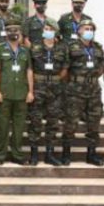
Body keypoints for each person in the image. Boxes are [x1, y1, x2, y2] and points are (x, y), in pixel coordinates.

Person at [63, 20, 104, 166]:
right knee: (71, 122)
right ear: (79, 31)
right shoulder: (71, 47)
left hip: (94, 90)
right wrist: (76, 81)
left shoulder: (98, 47)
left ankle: (91, 154)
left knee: (94, 123)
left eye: (91, 29)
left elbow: (101, 68)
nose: (89, 31)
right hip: (75, 90)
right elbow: (65, 70)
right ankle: (66, 154)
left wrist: (90, 79)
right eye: (86, 28)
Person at [27, 19, 67, 166]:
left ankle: (49, 154)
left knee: (53, 122)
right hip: (38, 87)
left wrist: (54, 79)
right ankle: (34, 154)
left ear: (56, 32)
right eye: (46, 29)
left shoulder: (62, 48)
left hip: (55, 89)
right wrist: (31, 89)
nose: (48, 31)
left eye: (51, 29)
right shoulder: (34, 46)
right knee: (35, 121)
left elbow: (65, 68)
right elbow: (29, 68)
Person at [0, 23, 34, 165]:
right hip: (4, 93)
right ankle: (0, 155)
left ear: (20, 32)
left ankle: (17, 154)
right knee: (2, 127)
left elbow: (29, 71)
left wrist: (30, 91)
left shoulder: (25, 51)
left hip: (22, 94)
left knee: (19, 127)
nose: (13, 32)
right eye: (9, 30)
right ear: (6, 33)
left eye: (15, 30)